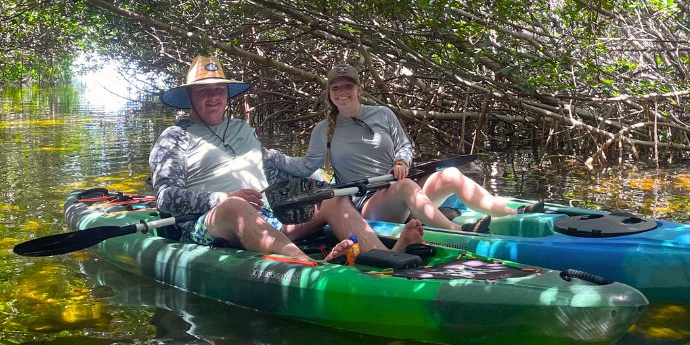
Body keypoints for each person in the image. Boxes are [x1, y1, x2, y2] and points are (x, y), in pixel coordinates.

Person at [149, 56, 423, 262]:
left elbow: (274, 175)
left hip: (268, 217)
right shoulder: (174, 137)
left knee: (331, 196)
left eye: (218, 90)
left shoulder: (242, 129)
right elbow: (165, 197)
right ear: (189, 96)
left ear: (226, 94)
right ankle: (307, 266)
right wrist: (221, 197)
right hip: (212, 221)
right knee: (235, 206)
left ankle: (382, 256)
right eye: (203, 91)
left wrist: (316, 184)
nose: (213, 97)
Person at [266, 64, 534, 233]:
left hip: (397, 186)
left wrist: (401, 162)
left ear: (359, 88)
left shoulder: (383, 114)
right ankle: (459, 232)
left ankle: (510, 214)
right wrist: (271, 156)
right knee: (407, 188)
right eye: (336, 88)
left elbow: (404, 146)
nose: (342, 92)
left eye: (348, 86)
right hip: (367, 201)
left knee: (450, 174)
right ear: (329, 93)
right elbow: (305, 167)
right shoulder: (322, 129)